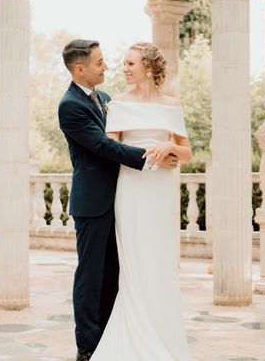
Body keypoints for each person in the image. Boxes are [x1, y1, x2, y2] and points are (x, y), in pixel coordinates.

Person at [57, 39, 179, 361]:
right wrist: (153, 158)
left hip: (122, 198)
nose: (107, 67)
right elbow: (104, 147)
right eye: (100, 62)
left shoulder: (107, 99)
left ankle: (113, 339)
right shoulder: (70, 106)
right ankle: (87, 349)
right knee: (90, 275)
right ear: (80, 68)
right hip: (93, 201)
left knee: (115, 273)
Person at [91, 41, 192, 361]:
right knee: (135, 263)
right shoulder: (118, 103)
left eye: (130, 63)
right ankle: (131, 338)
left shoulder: (171, 105)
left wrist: (170, 150)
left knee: (160, 261)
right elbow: (111, 149)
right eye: (124, 63)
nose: (123, 68)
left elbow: (188, 152)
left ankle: (163, 336)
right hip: (132, 189)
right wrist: (150, 158)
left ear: (148, 68)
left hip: (162, 191)